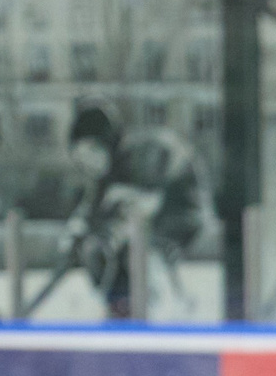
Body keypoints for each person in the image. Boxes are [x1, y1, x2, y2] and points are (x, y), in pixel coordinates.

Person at [59, 98, 210, 320]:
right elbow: (90, 212)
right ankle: (119, 304)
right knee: (102, 250)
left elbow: (143, 204)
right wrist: (77, 234)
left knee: (137, 252)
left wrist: (111, 234)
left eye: (90, 153)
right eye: (80, 160)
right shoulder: (106, 177)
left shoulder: (142, 153)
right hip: (147, 222)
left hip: (179, 213)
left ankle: (151, 305)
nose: (87, 164)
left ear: (106, 144)